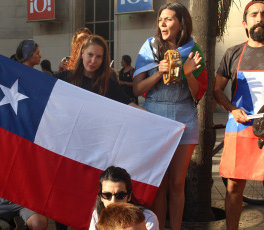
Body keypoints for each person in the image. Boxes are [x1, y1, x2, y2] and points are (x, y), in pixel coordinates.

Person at [132, 3, 207, 229]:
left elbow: (198, 94)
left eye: (168, 19)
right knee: (159, 184)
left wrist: (187, 73)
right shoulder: (150, 47)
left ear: (181, 23)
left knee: (176, 184)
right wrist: (159, 73)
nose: (162, 23)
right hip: (155, 118)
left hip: (185, 117)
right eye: (160, 19)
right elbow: (136, 90)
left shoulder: (195, 50)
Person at [0, 39, 48, 230]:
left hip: (29, 129)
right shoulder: (12, 72)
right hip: (16, 129)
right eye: (37, 52)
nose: (40, 55)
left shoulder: (37, 76)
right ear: (29, 54)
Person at [213, 1, 264, 229]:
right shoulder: (233, 53)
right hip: (240, 126)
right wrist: (232, 109)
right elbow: (216, 89)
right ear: (245, 23)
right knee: (234, 187)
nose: (260, 18)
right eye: (254, 14)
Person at [55, 35, 140, 109]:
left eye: (98, 57)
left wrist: (153, 120)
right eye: (90, 55)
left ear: (103, 59)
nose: (93, 61)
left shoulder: (109, 84)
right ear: (82, 54)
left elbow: (130, 105)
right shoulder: (65, 77)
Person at [89, 166, 158, 230]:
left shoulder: (147, 218)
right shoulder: (97, 214)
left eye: (120, 195)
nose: (113, 201)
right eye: (107, 195)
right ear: (101, 197)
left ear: (129, 196)